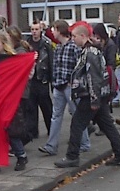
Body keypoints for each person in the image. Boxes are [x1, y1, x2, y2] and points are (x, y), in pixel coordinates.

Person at [55, 24, 120, 168]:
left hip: (91, 96)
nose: (73, 39)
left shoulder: (90, 53)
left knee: (77, 124)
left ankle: (72, 156)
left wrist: (94, 100)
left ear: (83, 36)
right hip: (97, 95)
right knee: (108, 126)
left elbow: (94, 77)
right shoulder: (92, 51)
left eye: (75, 36)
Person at [38, 20, 90, 156]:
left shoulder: (73, 47)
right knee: (56, 116)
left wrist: (74, 83)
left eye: (53, 29)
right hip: (59, 86)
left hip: (70, 87)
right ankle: (51, 146)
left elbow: (80, 66)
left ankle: (84, 143)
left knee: (77, 115)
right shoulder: (58, 47)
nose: (52, 32)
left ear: (59, 30)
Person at [0, 30, 30, 175]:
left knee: (11, 130)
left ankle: (21, 156)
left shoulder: (12, 59)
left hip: (8, 100)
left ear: (4, 44)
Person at [26, 20, 53, 140]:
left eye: (36, 29)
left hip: (42, 78)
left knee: (46, 106)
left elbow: (50, 60)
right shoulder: (27, 43)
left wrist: (51, 78)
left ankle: (51, 129)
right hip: (31, 79)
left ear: (40, 30)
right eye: (32, 29)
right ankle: (33, 131)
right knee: (31, 107)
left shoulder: (46, 43)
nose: (34, 32)